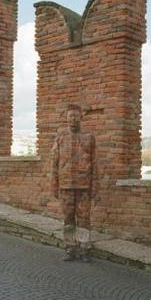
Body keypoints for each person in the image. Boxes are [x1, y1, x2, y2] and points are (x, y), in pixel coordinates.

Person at [51, 104, 97, 262]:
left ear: (81, 117)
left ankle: (84, 249)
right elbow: (55, 163)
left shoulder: (89, 137)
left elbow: (94, 163)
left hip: (84, 186)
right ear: (66, 118)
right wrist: (54, 184)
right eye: (70, 116)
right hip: (65, 186)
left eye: (76, 116)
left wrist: (95, 186)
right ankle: (70, 248)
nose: (73, 119)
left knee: (84, 218)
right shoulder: (60, 137)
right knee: (68, 218)